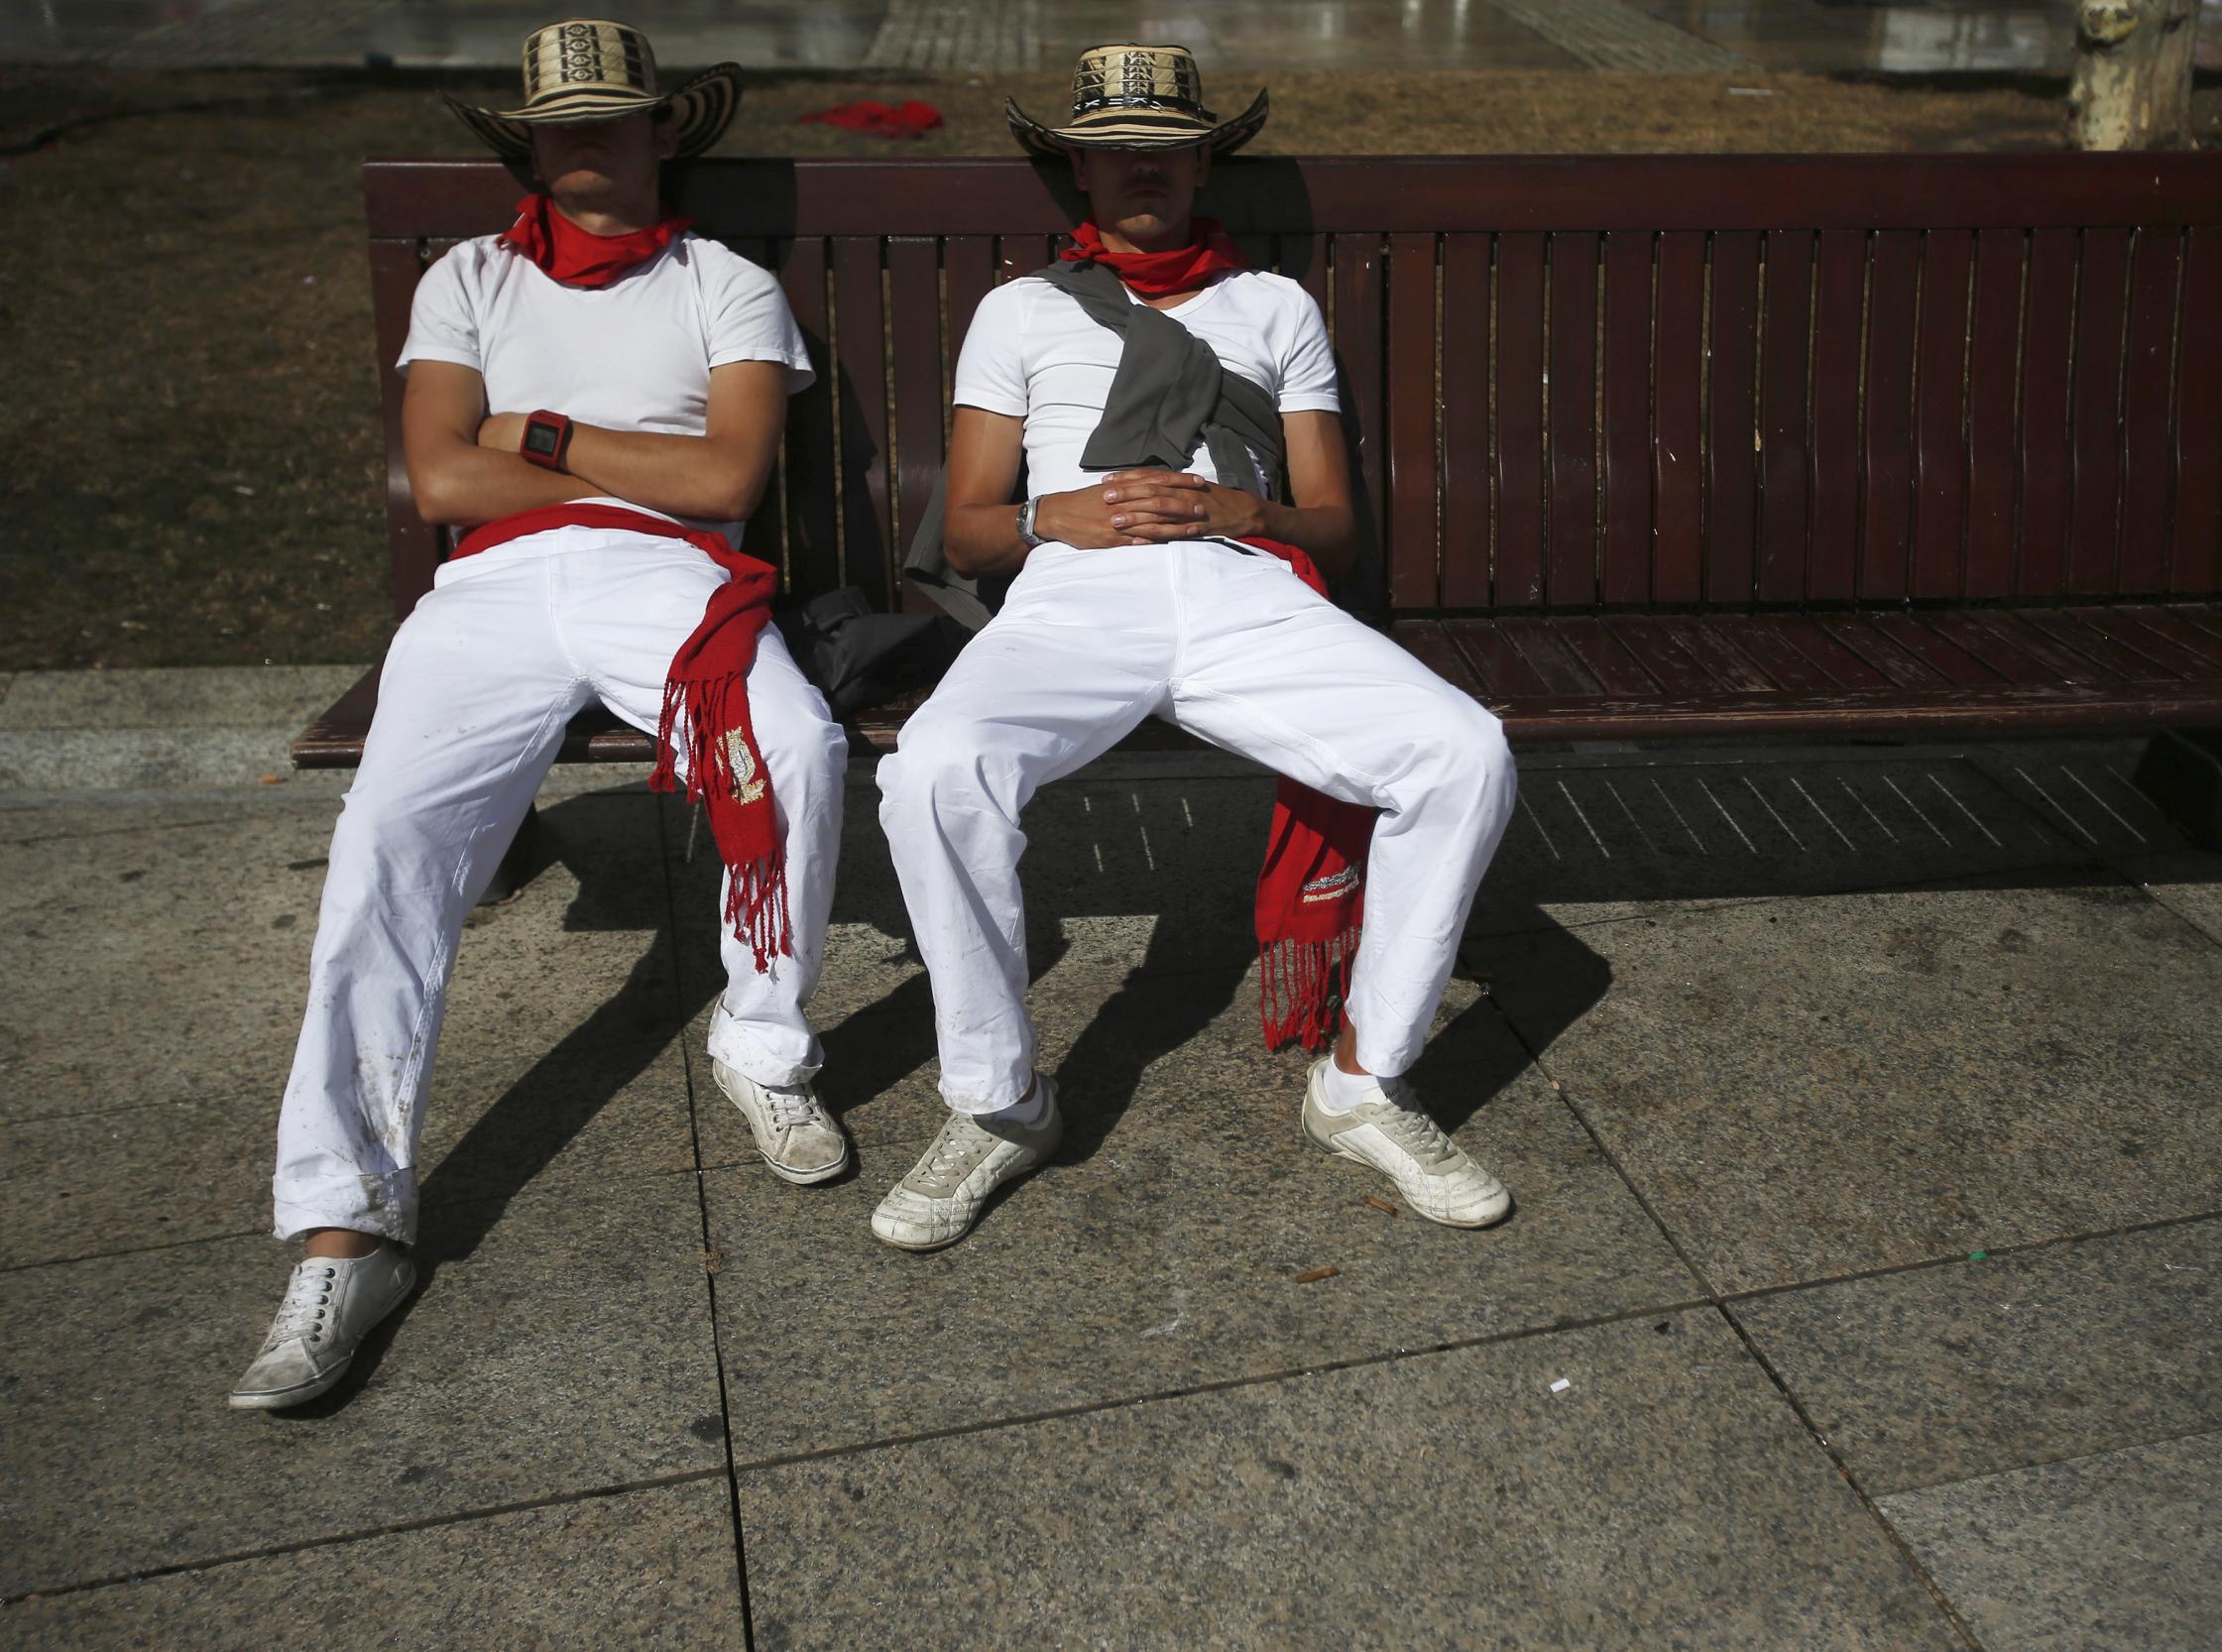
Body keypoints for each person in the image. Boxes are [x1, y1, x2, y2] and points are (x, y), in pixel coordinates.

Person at [232, 19, 848, 1410]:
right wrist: (634, 468)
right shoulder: (469, 280)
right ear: (528, 141)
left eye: (612, 121)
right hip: (493, 592)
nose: (587, 148)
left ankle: (764, 1041)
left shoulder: (724, 283)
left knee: (797, 748)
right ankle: (345, 1224)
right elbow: (443, 486)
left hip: (669, 580)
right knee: (384, 843)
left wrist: (551, 441)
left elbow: (729, 472)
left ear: (661, 131)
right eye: (560, 127)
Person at [873, 44, 1518, 1253]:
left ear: (1203, 156)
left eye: (1164, 146)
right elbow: (964, 530)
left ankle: (1367, 1080)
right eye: (1113, 152)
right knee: (932, 770)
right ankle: (999, 1102)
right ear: (1074, 166)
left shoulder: (1276, 306)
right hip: (1075, 591)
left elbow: (1332, 518)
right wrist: (1037, 516)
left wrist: (1252, 512)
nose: (1140, 170)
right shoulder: (1019, 309)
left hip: (1242, 589)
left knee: (1462, 750)